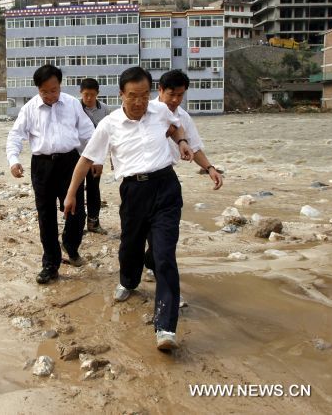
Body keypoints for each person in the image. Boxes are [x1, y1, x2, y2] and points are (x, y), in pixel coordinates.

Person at [64, 67, 194, 350]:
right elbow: (86, 159)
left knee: (164, 256)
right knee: (130, 247)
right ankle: (128, 280)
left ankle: (165, 328)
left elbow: (175, 127)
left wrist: (182, 142)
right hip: (134, 191)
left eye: (145, 95)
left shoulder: (159, 112)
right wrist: (72, 193)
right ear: (121, 94)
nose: (140, 102)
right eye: (133, 96)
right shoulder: (109, 124)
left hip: (166, 187)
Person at [6, 64, 96, 284]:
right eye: (44, 91)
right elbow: (15, 136)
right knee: (46, 217)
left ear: (60, 85)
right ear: (38, 89)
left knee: (76, 213)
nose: (49, 95)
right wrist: (14, 160)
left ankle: (70, 244)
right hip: (42, 166)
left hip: (70, 163)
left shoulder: (73, 104)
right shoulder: (29, 109)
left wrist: (94, 158)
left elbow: (88, 134)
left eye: (53, 90)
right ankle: (50, 264)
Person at [144, 70, 223, 296]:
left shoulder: (183, 117)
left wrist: (210, 168)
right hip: (141, 181)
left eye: (181, 95)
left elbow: (194, 147)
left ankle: (163, 282)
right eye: (172, 94)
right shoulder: (145, 111)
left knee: (166, 236)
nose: (176, 100)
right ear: (160, 90)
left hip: (167, 179)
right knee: (144, 234)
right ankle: (144, 267)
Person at [79, 78, 110, 234]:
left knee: (93, 190)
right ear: (81, 93)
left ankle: (93, 223)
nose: (89, 98)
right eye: (86, 95)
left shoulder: (104, 109)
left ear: (97, 94)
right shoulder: (75, 108)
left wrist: (101, 158)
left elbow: (107, 135)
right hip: (77, 156)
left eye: (92, 95)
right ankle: (76, 224)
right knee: (76, 190)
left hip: (95, 159)